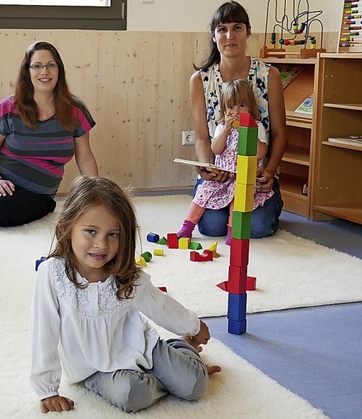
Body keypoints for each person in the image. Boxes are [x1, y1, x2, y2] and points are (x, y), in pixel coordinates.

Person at [30, 176, 221, 414]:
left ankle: (182, 352)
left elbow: (159, 305)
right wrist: (47, 389)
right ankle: (171, 375)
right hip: (94, 369)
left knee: (194, 384)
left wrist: (193, 326)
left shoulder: (127, 275)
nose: (101, 244)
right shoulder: (53, 274)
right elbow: (43, 331)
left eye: (113, 234)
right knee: (133, 394)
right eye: (91, 231)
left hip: (140, 347)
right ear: (67, 229)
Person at [0, 41, 98, 227]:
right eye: (37, 66)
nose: (44, 71)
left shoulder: (76, 110)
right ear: (27, 72)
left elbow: (85, 158)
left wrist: (96, 196)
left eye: (51, 65)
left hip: (35, 192)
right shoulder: (8, 107)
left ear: (59, 70)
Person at [189, 1, 286, 238]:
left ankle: (273, 203)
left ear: (248, 32)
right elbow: (202, 137)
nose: (230, 36)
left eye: (237, 28)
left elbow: (280, 135)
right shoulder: (199, 80)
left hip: (256, 175)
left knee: (255, 228)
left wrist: (269, 172)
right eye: (222, 29)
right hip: (219, 176)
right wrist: (207, 168)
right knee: (211, 227)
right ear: (214, 36)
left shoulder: (269, 75)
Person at [178, 79, 273, 245]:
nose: (236, 111)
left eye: (241, 106)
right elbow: (215, 149)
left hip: (244, 178)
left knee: (239, 197)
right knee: (203, 192)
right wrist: (227, 129)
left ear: (250, 107)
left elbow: (261, 153)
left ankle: (233, 231)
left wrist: (247, 130)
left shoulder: (256, 127)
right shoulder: (222, 127)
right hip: (223, 177)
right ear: (224, 109)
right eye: (231, 107)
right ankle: (187, 227)